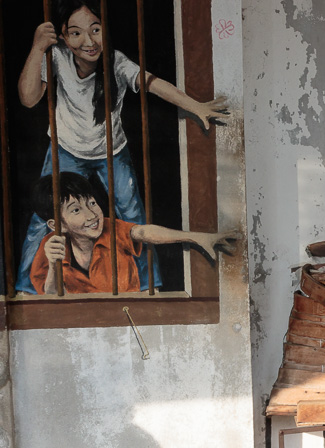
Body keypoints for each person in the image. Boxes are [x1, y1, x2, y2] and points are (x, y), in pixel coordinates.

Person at [16, 0, 230, 293]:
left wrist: (196, 106)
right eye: (76, 33)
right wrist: (38, 47)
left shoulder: (116, 62)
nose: (89, 41)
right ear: (63, 37)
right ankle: (27, 291)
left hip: (111, 151)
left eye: (95, 29)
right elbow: (28, 98)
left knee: (133, 218)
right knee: (44, 220)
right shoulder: (57, 57)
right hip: (65, 150)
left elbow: (153, 83)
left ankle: (147, 287)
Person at [29, 172, 237, 295]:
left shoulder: (111, 228)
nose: (92, 214)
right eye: (76, 210)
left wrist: (196, 237)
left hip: (127, 315)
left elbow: (143, 232)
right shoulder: (51, 246)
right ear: (57, 224)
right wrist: (53, 265)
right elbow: (50, 296)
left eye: (91, 203)